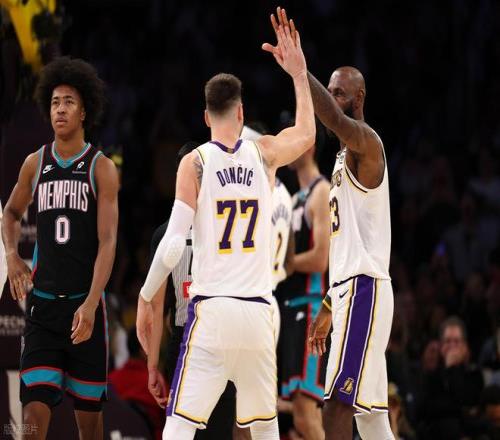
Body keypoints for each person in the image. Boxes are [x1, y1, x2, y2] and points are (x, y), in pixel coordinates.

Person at [137, 20, 315, 440]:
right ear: (241, 113)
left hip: (213, 312)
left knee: (178, 428)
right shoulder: (265, 153)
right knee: (265, 429)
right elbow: (307, 134)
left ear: (205, 116)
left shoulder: (195, 162)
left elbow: (172, 244)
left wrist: (146, 296)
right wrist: (299, 74)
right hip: (258, 313)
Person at [264, 7, 394, 439]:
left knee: (337, 402)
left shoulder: (367, 144)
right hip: (349, 290)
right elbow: (348, 242)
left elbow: (336, 121)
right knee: (371, 418)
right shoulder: (340, 158)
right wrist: (328, 302)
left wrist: (301, 74)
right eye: (331, 91)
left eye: (339, 93)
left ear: (358, 99)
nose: (333, 99)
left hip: (364, 288)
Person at [1, 57, 119, 440]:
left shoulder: (100, 168)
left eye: (68, 102)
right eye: (54, 102)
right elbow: (10, 214)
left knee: (90, 426)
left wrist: (91, 304)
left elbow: (108, 241)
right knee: (31, 421)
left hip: (85, 307)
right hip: (43, 310)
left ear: (84, 111)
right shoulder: (35, 163)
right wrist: (12, 256)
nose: (60, 109)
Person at [141, 141, 241, 440]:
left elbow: (157, 306)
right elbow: (157, 307)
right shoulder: (225, 226)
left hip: (200, 338)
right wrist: (153, 365)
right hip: (205, 338)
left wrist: (153, 366)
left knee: (192, 431)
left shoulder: (169, 233)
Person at [277, 142, 330, 440]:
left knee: (306, 413)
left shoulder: (321, 192)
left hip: (311, 309)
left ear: (309, 147)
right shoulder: (294, 198)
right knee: (303, 414)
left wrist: (282, 265)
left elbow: (321, 258)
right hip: (290, 308)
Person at [417, 316, 484, 439]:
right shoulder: (432, 374)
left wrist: (452, 369)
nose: (452, 346)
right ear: (441, 345)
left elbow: (467, 401)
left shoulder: (474, 373)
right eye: (447, 341)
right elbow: (426, 409)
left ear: (464, 346)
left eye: (457, 341)